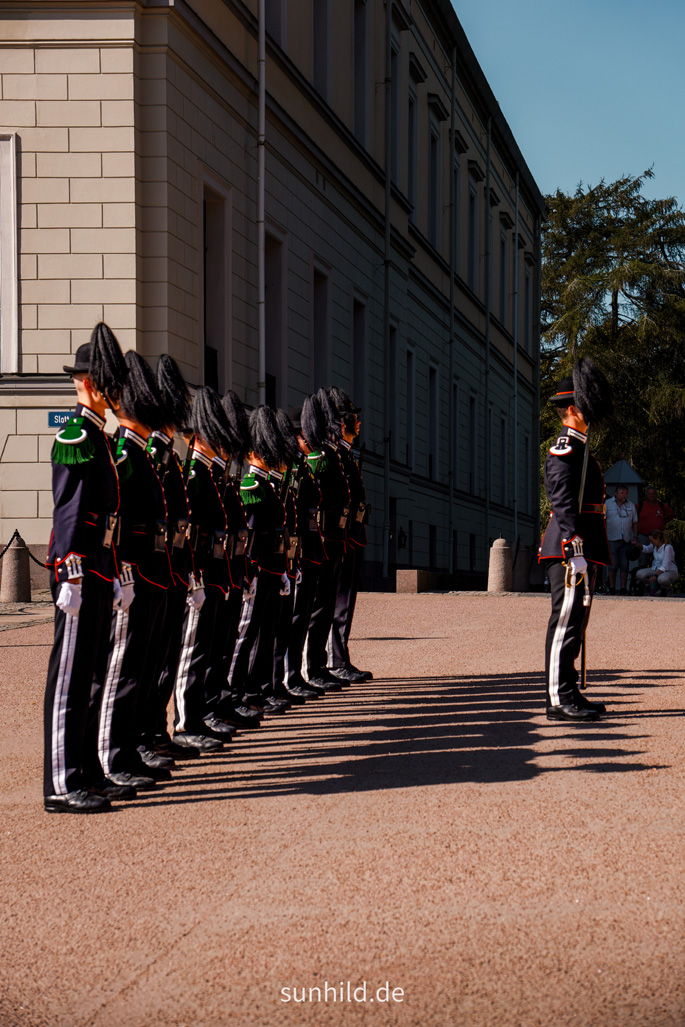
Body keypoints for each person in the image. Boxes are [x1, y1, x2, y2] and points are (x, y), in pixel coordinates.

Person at [43, 323, 129, 813]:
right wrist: (71, 573)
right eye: (110, 385)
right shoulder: (77, 434)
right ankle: (61, 782)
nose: (117, 395)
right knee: (70, 681)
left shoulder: (98, 438)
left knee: (93, 675)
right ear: (91, 385)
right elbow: (71, 514)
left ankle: (88, 772)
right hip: (81, 572)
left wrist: (113, 572)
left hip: (100, 569)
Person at [97, 350, 173, 792]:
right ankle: (116, 754)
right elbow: (119, 520)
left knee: (142, 666)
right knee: (123, 670)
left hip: (151, 572)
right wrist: (123, 572)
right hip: (134, 574)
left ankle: (132, 746)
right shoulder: (125, 453)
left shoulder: (141, 454)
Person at [538, 359, 612, 722]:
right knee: (565, 622)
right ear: (571, 410)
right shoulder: (565, 449)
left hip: (583, 551)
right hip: (570, 550)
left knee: (576, 625)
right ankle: (558, 697)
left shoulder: (582, 451)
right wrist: (575, 549)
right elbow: (563, 503)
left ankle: (570, 691)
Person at [326, 387, 372, 684]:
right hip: (339, 537)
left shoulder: (345, 454)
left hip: (352, 534)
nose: (358, 423)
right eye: (353, 418)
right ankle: (334, 660)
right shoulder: (332, 456)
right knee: (336, 600)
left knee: (346, 601)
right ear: (341, 423)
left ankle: (339, 656)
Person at [604, 485, 638, 594]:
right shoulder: (608, 504)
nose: (624, 495)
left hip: (626, 539)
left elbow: (635, 522)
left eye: (626, 493)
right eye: (622, 493)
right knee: (613, 564)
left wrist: (635, 537)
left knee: (624, 564)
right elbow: (603, 520)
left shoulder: (631, 505)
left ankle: (623, 588)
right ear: (616, 493)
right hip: (612, 538)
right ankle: (612, 587)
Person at [637, 487, 674, 568]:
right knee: (642, 560)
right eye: (650, 493)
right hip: (644, 536)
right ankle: (642, 578)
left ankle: (659, 578)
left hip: (659, 537)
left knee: (662, 559)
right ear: (646, 495)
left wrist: (662, 522)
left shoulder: (661, 506)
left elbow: (671, 515)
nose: (652, 495)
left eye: (654, 493)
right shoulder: (640, 506)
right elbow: (633, 519)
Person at [635, 530, 678, 595]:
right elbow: (647, 549)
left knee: (662, 579)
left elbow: (665, 565)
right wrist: (639, 545)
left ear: (657, 539)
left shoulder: (668, 547)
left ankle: (667, 588)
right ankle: (655, 586)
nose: (651, 542)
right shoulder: (654, 545)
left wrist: (655, 575)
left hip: (669, 570)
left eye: (652, 540)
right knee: (639, 574)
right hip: (656, 568)